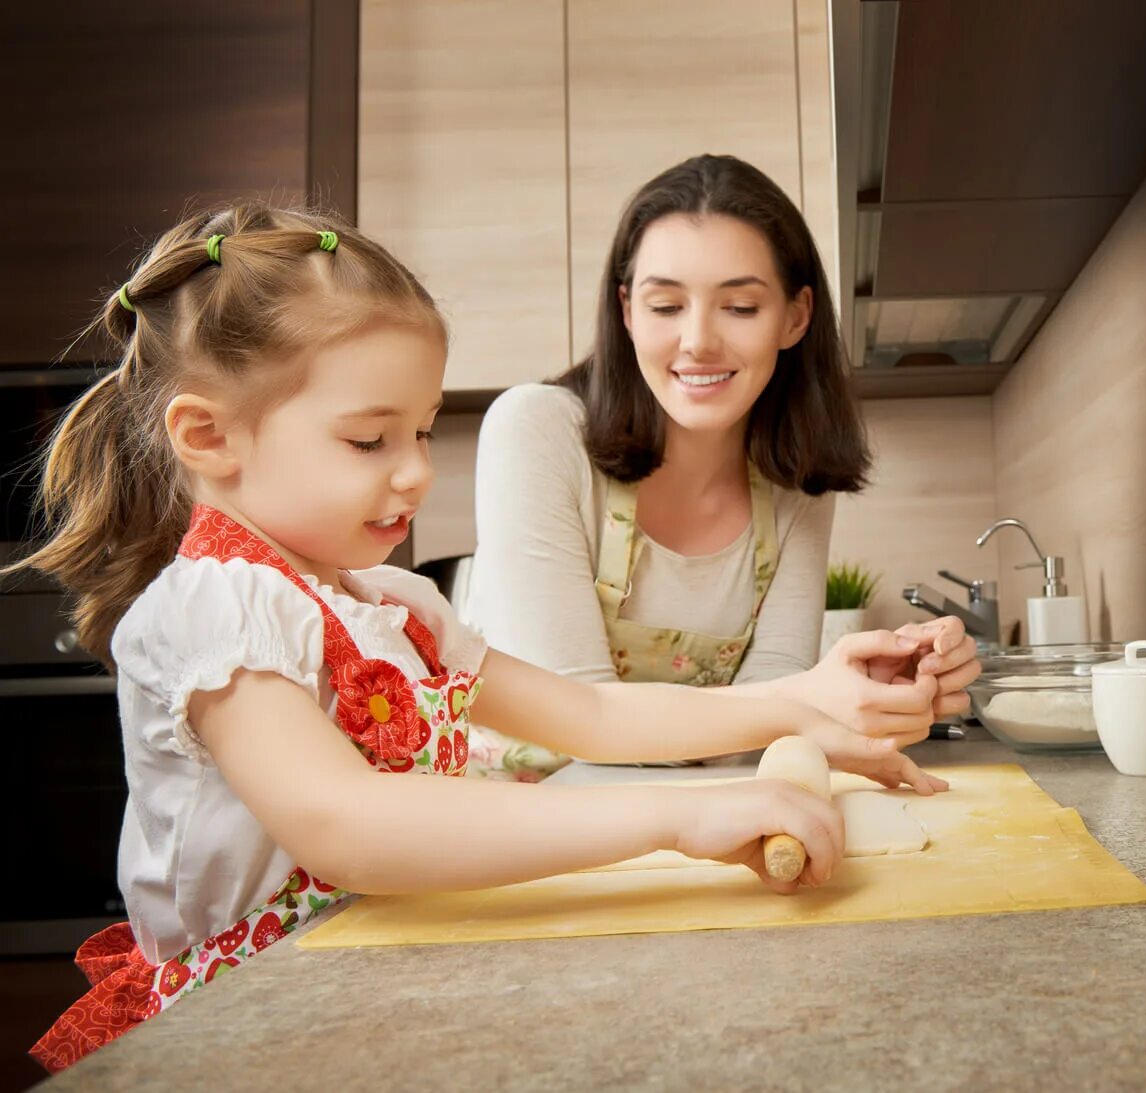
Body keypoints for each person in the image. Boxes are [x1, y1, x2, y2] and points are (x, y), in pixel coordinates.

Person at [14, 202, 944, 1073]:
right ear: (209, 436)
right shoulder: (220, 610)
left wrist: (802, 711)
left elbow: (588, 711)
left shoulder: (392, 604)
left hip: (370, 974)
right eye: (370, 441)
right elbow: (349, 826)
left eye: (420, 430)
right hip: (252, 1022)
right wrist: (677, 816)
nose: (417, 470)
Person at [466, 154, 980, 779]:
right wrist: (805, 702)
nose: (698, 341)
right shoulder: (539, 430)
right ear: (626, 311)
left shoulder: (796, 483)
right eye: (665, 307)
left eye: (739, 307)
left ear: (795, 316)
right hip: (519, 840)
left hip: (696, 828)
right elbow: (576, 720)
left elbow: (768, 723)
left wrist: (858, 690)